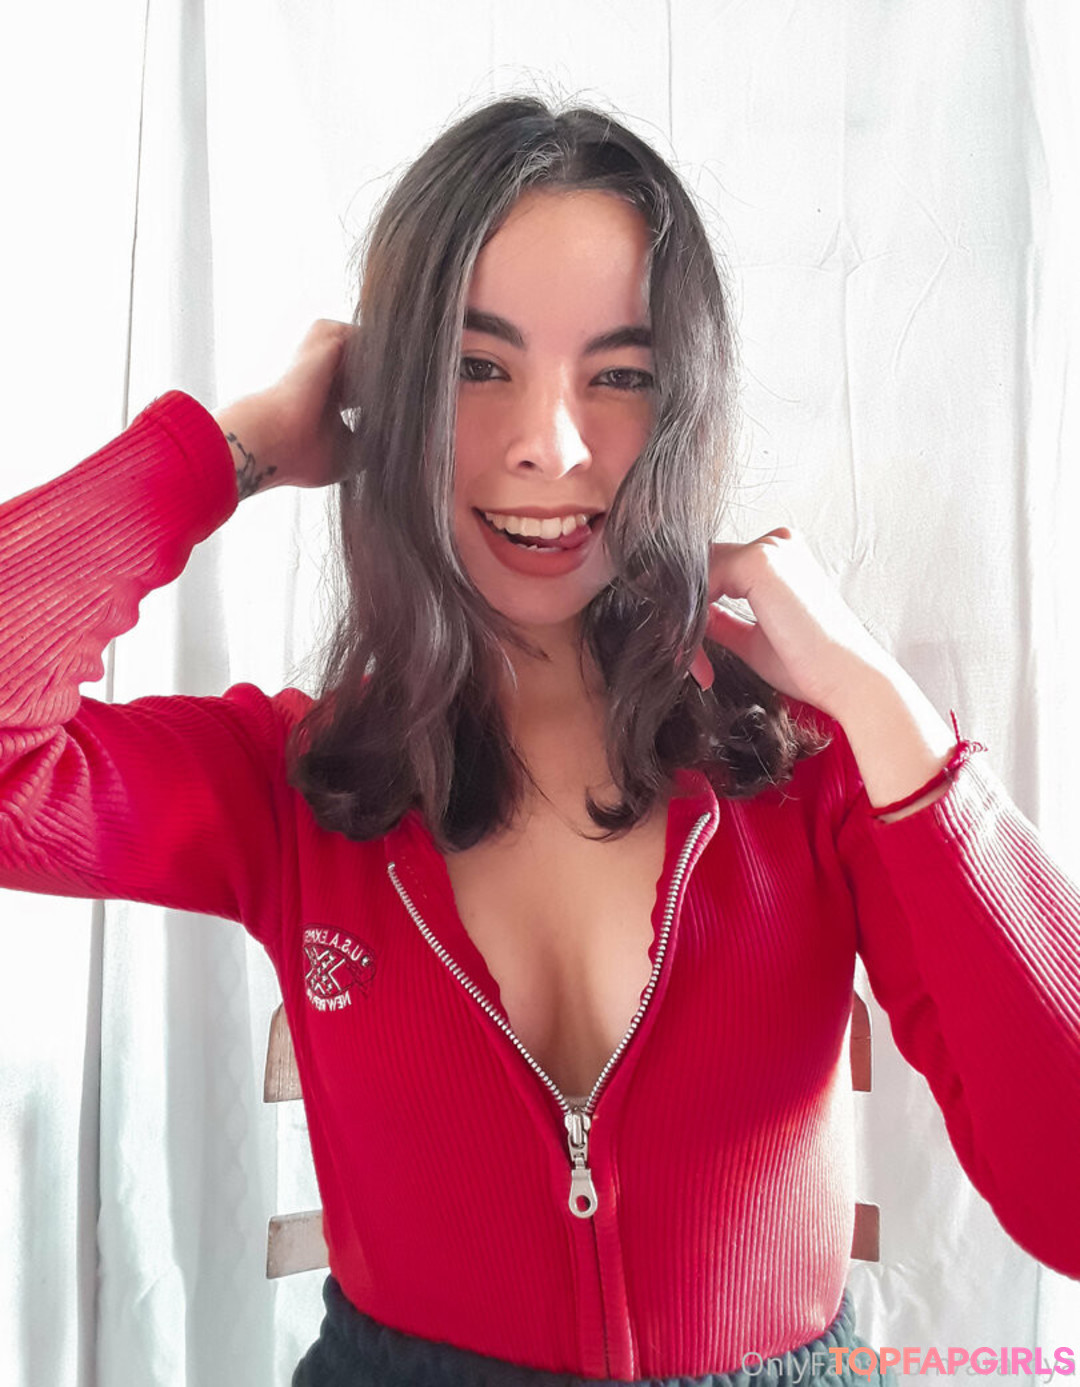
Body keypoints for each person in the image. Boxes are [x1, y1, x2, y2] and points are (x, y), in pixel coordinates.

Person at [1, 96, 1078, 1387]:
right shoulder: (299, 787)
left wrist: (881, 705)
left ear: (680, 405)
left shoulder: (817, 769)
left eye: (619, 375)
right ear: (391, 395)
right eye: (475, 366)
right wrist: (233, 450)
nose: (548, 448)